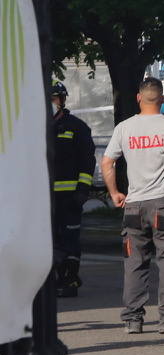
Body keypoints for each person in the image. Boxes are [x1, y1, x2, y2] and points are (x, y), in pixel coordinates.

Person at [102, 77, 164, 334]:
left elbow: (106, 163)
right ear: (162, 99)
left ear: (139, 98)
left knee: (135, 263)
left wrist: (114, 193)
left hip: (134, 206)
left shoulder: (124, 128)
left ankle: (133, 320)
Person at [50, 81, 95, 298]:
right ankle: (51, 280)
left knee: (69, 239)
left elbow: (87, 162)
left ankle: (69, 280)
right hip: (42, 199)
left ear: (62, 100)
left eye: (54, 98)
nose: (51, 103)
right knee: (48, 239)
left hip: (69, 198)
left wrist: (82, 190)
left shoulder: (76, 127)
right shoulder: (33, 127)